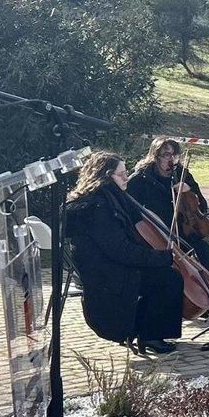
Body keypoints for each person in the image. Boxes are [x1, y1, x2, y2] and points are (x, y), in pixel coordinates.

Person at [63, 151, 184, 355]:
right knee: (168, 278)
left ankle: (144, 331)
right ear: (106, 176)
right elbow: (120, 250)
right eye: (121, 174)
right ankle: (150, 335)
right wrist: (161, 257)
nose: (127, 177)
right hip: (109, 274)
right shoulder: (99, 207)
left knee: (164, 275)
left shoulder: (105, 198)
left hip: (107, 267)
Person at [125, 137, 209, 272]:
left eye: (175, 155)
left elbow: (202, 206)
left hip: (183, 232)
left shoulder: (183, 174)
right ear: (155, 156)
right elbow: (128, 205)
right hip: (158, 233)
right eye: (166, 155)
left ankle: (204, 290)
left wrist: (189, 190)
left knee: (204, 251)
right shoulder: (141, 178)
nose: (171, 159)